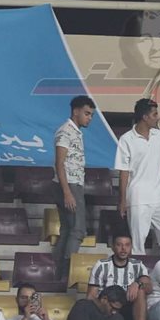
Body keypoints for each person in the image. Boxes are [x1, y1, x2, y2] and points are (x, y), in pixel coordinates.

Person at [115, 99, 160, 254]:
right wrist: (122, 200)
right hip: (138, 198)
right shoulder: (126, 139)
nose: (158, 117)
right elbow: (124, 172)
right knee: (138, 243)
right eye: (155, 114)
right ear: (145, 117)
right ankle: (139, 270)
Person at [54, 95, 96, 270]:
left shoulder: (75, 132)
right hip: (69, 184)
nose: (89, 118)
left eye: (91, 115)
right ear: (76, 111)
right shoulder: (66, 131)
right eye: (87, 113)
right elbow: (59, 163)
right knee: (78, 230)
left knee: (67, 230)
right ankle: (67, 270)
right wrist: (67, 192)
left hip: (71, 184)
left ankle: (57, 271)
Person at [86, 233, 151, 320]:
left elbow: (149, 287)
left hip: (129, 308)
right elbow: (90, 297)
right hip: (108, 309)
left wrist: (137, 284)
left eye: (127, 245)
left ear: (131, 247)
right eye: (119, 245)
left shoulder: (138, 265)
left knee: (141, 291)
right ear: (113, 247)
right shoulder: (101, 265)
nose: (123, 248)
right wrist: (106, 305)